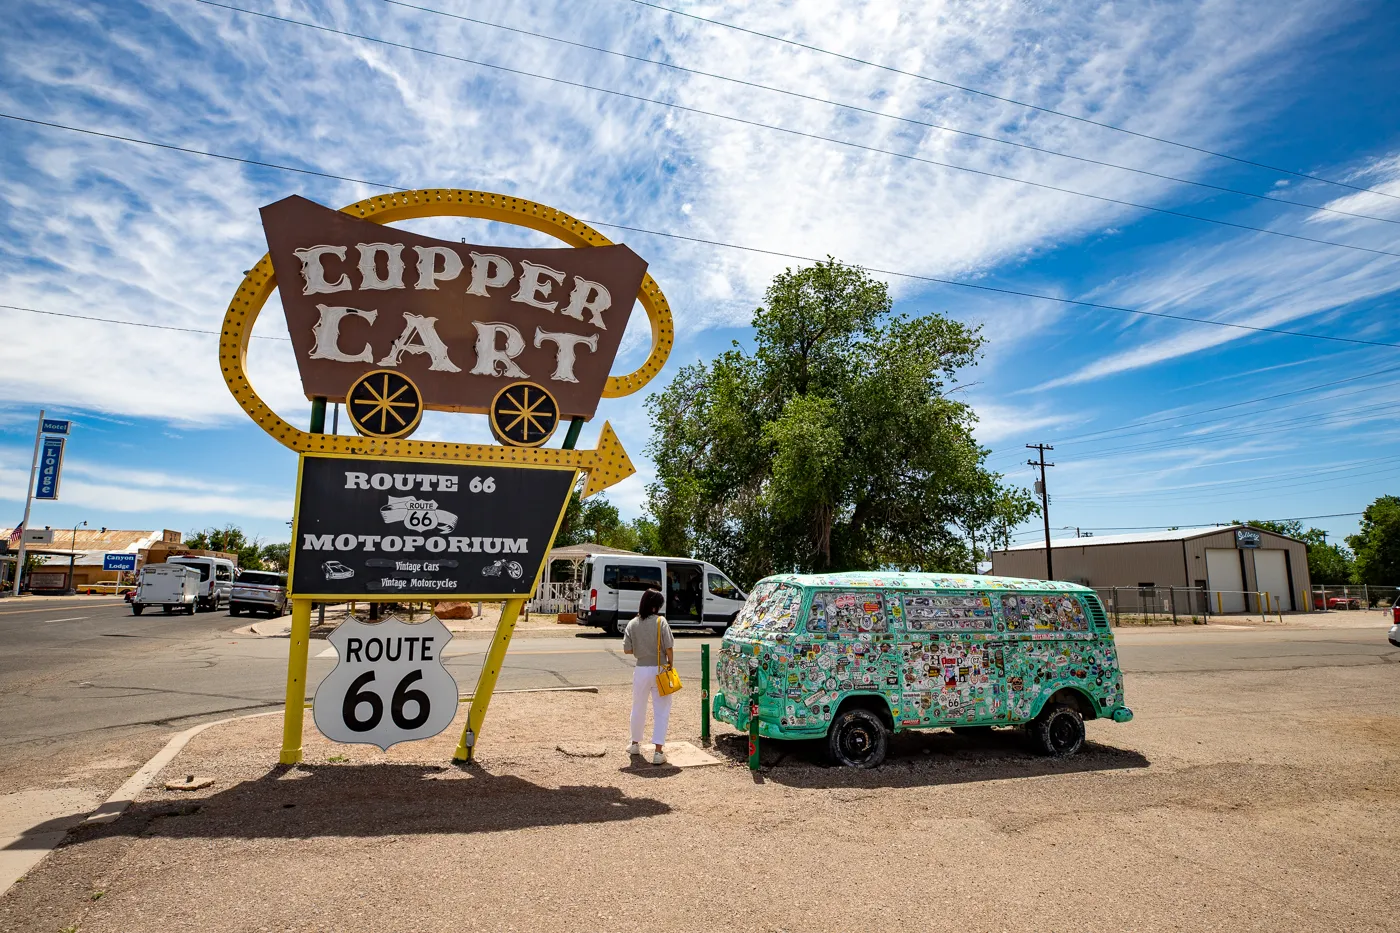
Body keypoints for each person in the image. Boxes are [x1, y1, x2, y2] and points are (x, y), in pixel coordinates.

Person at [622, 587, 674, 765]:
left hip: (641, 669)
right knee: (661, 709)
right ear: (655, 606)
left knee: (638, 707)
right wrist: (670, 665)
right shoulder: (661, 622)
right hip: (660, 668)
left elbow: (627, 649)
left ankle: (635, 743)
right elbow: (669, 648)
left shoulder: (632, 623)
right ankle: (658, 752)